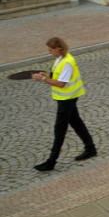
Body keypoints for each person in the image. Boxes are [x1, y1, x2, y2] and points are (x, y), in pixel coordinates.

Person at [32, 37, 97, 171]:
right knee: (76, 122)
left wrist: (43, 79)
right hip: (67, 98)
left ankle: (51, 161)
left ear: (58, 49)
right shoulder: (61, 59)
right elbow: (58, 78)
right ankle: (90, 149)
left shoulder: (67, 62)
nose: (49, 52)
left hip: (67, 99)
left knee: (59, 130)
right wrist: (47, 76)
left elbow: (62, 84)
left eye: (50, 50)